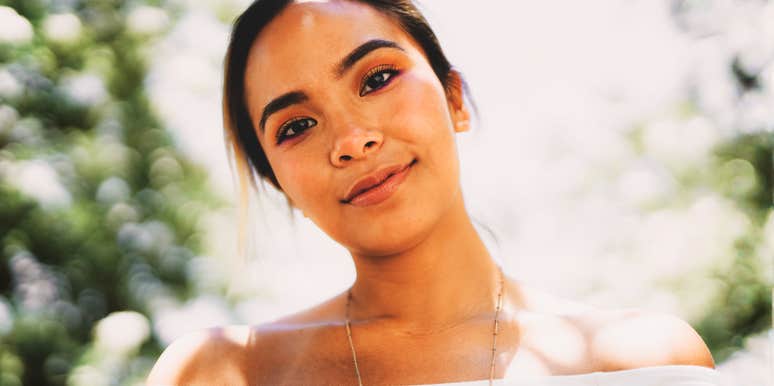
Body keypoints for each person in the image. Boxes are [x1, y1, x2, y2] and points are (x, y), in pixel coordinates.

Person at [147, 0, 718, 384]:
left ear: (454, 100)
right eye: (295, 127)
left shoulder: (641, 359)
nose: (351, 140)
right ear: (279, 180)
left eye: (376, 78)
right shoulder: (225, 371)